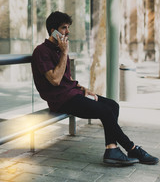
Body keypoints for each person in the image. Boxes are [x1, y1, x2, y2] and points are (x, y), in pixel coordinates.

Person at [31, 11, 159, 166]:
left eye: (68, 28)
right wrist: (65, 52)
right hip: (60, 100)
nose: (68, 32)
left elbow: (67, 79)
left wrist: (82, 88)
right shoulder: (41, 51)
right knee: (105, 111)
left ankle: (112, 148)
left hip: (72, 94)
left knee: (112, 105)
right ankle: (132, 148)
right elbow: (56, 80)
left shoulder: (60, 49)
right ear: (53, 31)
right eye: (64, 28)